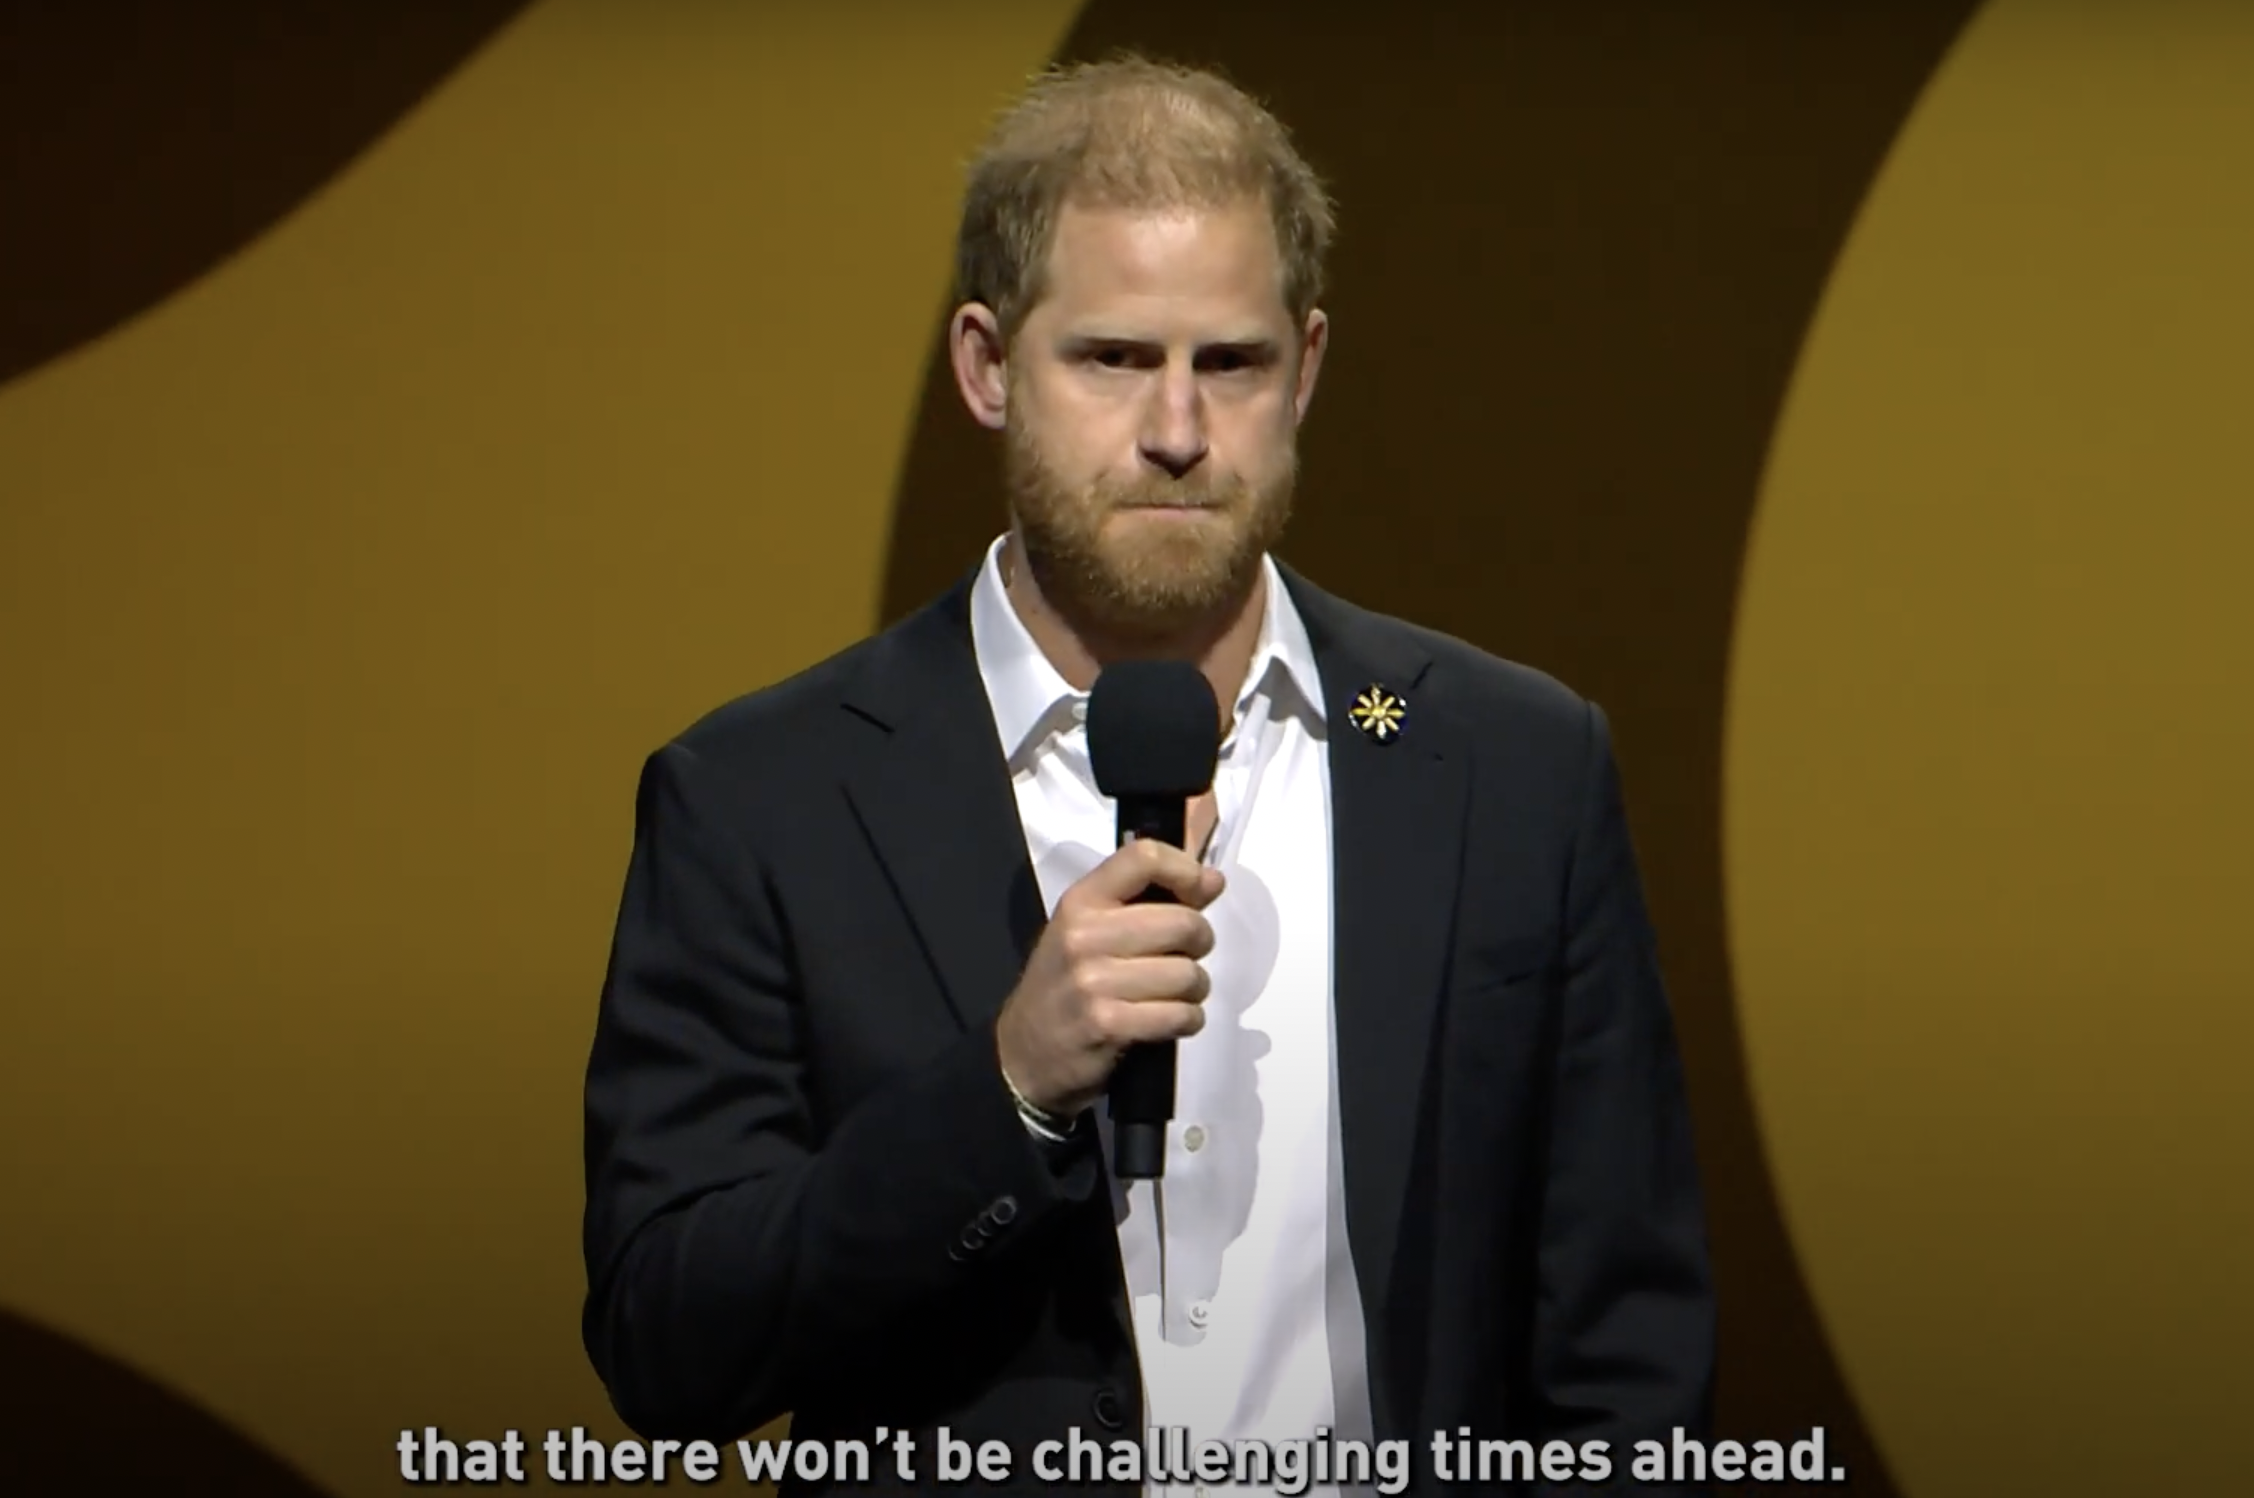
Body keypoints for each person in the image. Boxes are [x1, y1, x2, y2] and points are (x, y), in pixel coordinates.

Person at [582, 54, 1713, 1497]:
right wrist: (1007, 1092)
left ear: (1306, 366)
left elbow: (1630, 1350)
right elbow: (667, 1346)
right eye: (1113, 357)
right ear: (988, 368)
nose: (1177, 432)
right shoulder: (762, 799)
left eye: (1228, 364)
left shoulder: (1514, 764)